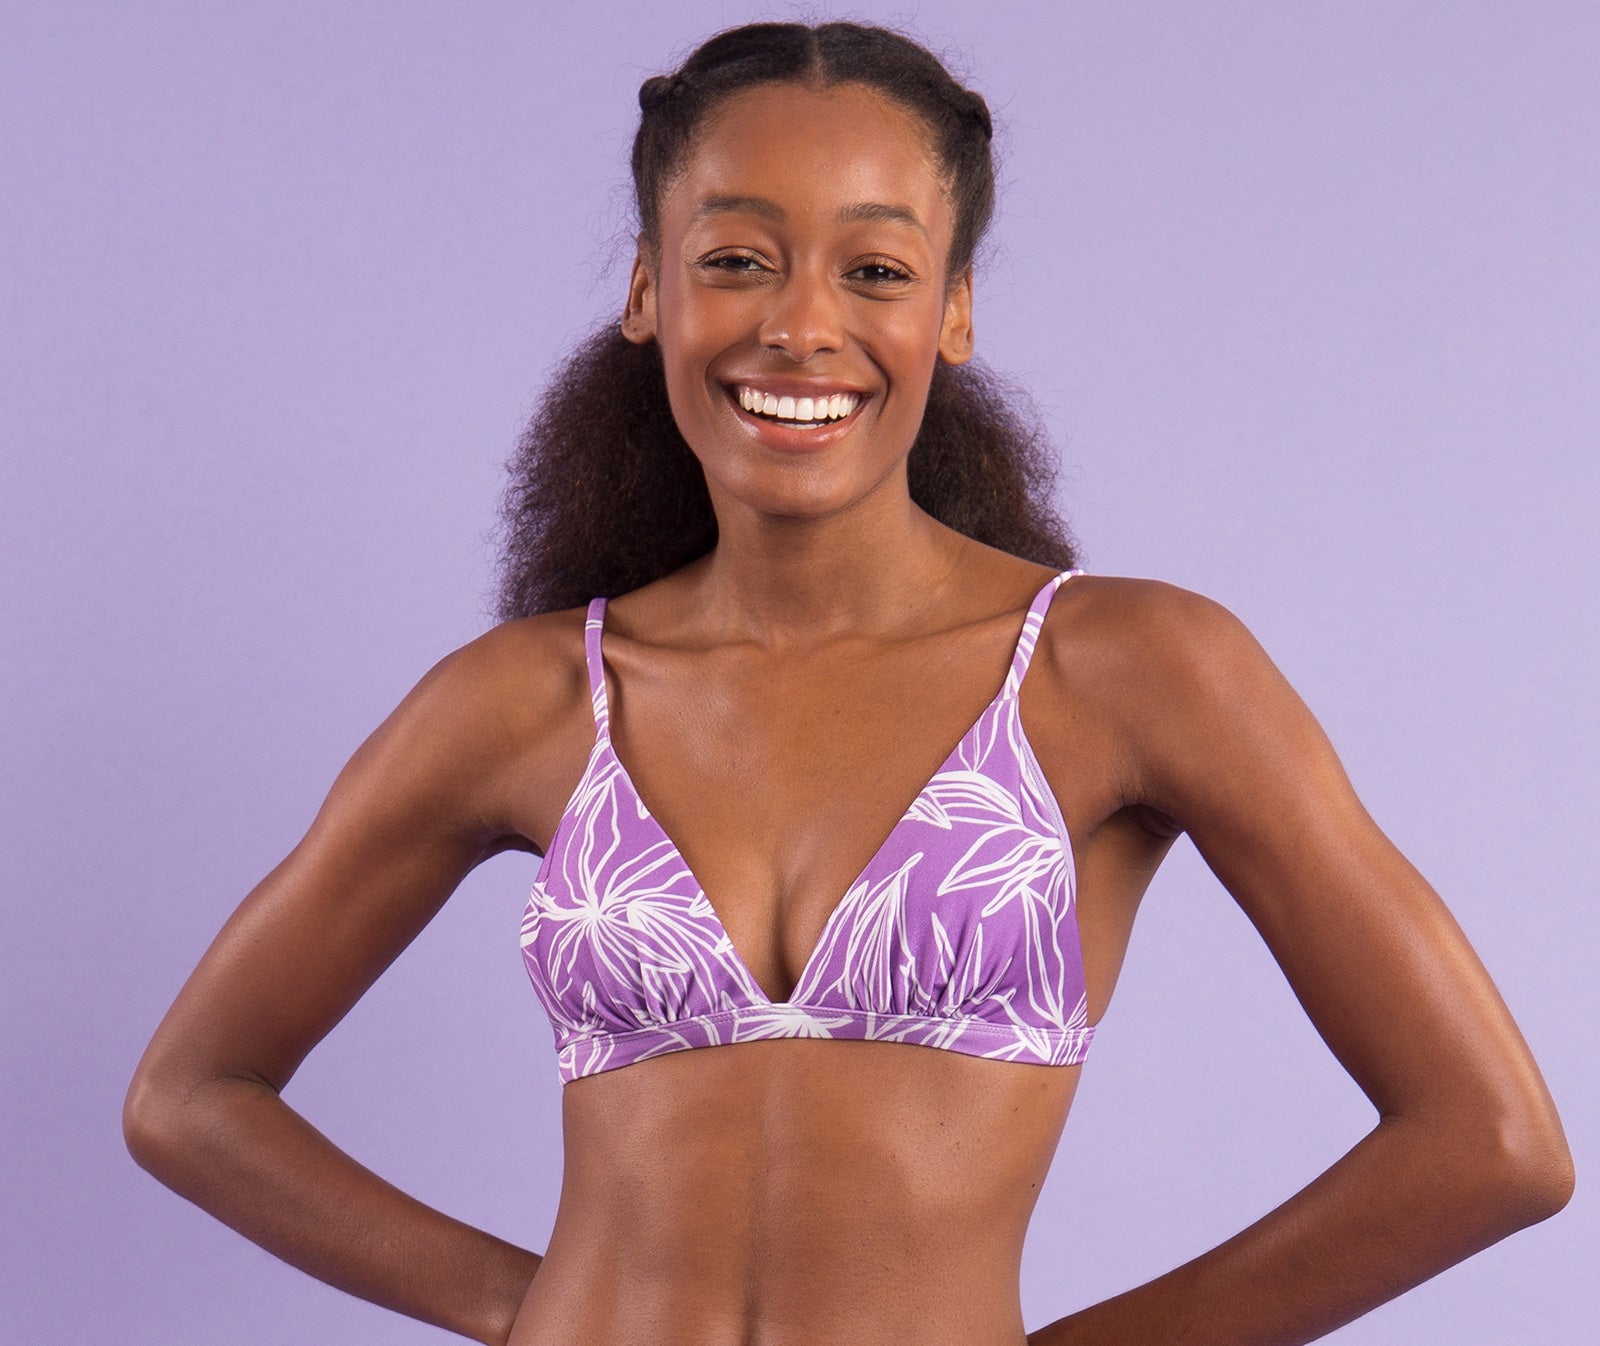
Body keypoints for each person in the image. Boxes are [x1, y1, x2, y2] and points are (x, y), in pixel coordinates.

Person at [122, 19, 1573, 1346]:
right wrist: (529, 1307)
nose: (800, 325)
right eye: (736, 259)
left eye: (875, 270)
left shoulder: (1123, 671)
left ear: (952, 309)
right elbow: (189, 1096)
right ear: (648, 289)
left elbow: (1493, 1142)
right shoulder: (533, 697)